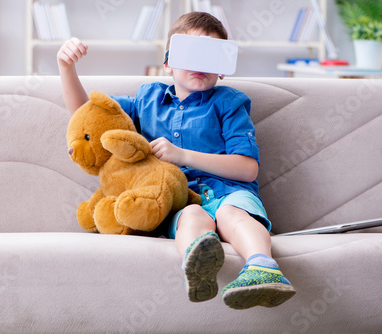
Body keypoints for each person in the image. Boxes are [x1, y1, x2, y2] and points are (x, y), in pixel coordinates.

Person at [57, 11, 295, 309]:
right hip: (180, 201)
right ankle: (198, 268)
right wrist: (66, 67)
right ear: (167, 62)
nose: (199, 64)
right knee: (192, 218)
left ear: (222, 68)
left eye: (210, 56)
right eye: (191, 53)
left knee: (231, 215)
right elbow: (87, 120)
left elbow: (247, 169)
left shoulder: (230, 103)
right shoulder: (146, 101)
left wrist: (182, 155)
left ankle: (263, 267)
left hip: (230, 193)